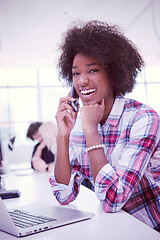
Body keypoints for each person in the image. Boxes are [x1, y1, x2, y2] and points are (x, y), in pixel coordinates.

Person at [49, 20, 160, 232]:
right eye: (75, 73)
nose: (81, 81)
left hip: (150, 229)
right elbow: (63, 195)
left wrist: (91, 130)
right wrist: (63, 135)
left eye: (92, 71)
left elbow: (113, 200)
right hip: (111, 228)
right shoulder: (80, 123)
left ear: (114, 72)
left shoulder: (143, 119)